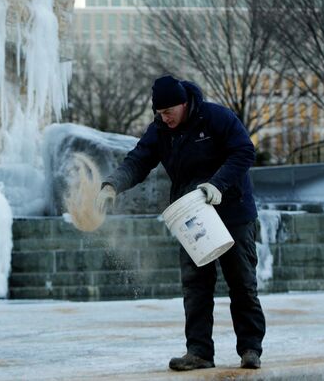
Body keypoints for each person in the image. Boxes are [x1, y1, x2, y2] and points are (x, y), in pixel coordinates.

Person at [96, 75, 265, 371]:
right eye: (159, 114)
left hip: (232, 209)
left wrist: (217, 184)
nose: (165, 118)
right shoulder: (161, 130)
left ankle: (250, 348)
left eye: (169, 112)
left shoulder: (216, 117)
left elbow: (244, 151)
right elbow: (138, 160)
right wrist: (112, 185)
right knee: (196, 285)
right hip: (192, 214)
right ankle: (199, 352)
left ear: (183, 104)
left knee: (242, 282)